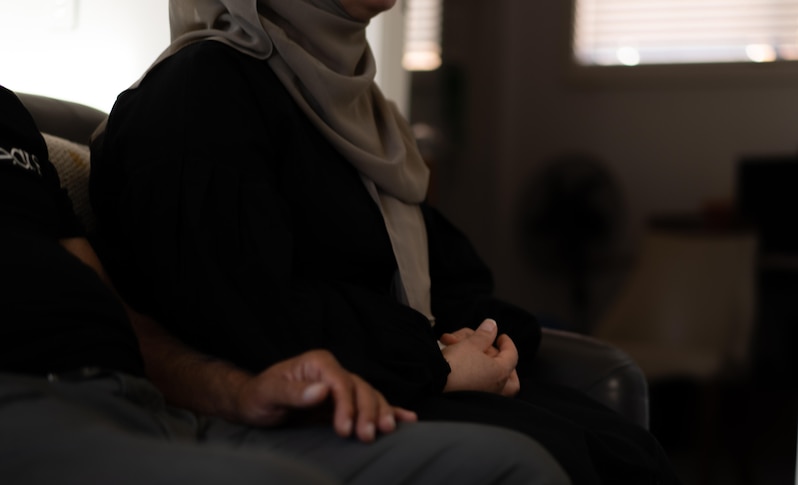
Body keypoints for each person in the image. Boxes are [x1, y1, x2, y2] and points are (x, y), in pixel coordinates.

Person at [0, 1, 575, 484]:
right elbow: (241, 302)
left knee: (518, 463)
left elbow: (113, 313)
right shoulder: (197, 96)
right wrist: (430, 359)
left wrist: (239, 392)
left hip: (140, 398)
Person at [89, 0, 682, 484]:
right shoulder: (200, 95)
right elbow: (245, 317)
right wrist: (436, 365)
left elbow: (449, 279)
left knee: (623, 449)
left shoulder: (367, 111)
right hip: (320, 401)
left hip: (399, 375)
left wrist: (487, 347)